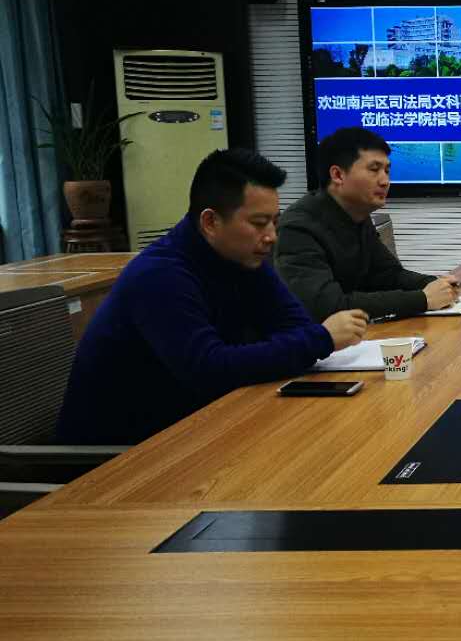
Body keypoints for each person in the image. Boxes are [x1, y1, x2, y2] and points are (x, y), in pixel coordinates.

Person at [56, 150, 367, 446]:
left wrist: (308, 341)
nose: (271, 236)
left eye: (275, 221)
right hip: (118, 459)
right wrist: (321, 338)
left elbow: (295, 327)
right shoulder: (159, 275)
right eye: (259, 223)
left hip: (199, 429)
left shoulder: (243, 257)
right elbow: (210, 370)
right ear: (210, 222)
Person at [275, 127, 459, 321]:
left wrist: (435, 284)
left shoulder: (358, 214)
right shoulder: (298, 228)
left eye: (387, 171)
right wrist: (422, 299)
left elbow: (388, 275)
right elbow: (327, 306)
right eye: (374, 170)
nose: (385, 181)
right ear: (338, 175)